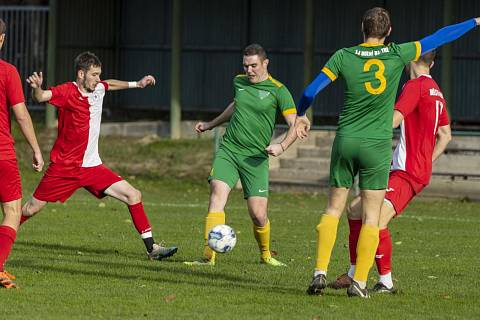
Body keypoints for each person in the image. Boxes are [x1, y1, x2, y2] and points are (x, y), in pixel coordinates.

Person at [295, 7, 479, 297]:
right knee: (370, 216)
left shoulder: (343, 55)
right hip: (377, 145)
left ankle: (319, 272)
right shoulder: (397, 53)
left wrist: (301, 115)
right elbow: (439, 37)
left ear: (361, 28)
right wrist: (475, 21)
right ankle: (360, 283)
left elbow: (309, 91)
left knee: (334, 209)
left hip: (346, 139)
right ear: (389, 31)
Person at [21, 51, 177, 261]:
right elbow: (41, 97)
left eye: (98, 74)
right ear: (81, 74)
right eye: (94, 75)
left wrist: (137, 84)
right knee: (31, 209)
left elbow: (109, 84)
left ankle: (152, 249)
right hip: (65, 168)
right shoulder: (67, 91)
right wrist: (37, 89)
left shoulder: (98, 88)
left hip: (93, 168)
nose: (97, 79)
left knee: (133, 195)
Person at [329, 50, 451, 293]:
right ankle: (354, 271)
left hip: (407, 171)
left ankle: (385, 281)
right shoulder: (436, 90)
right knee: (355, 210)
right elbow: (446, 135)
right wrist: (426, 161)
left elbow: (392, 121)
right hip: (409, 169)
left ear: (410, 59)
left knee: (377, 220)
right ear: (433, 63)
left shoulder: (414, 86)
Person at [185, 43, 297, 267]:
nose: (249, 71)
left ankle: (266, 255)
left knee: (258, 214)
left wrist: (282, 146)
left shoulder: (279, 90)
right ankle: (208, 257)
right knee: (217, 193)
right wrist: (210, 124)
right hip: (229, 150)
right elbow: (235, 106)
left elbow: (295, 124)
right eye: (246, 66)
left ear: (265, 63)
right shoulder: (239, 82)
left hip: (255, 158)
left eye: (254, 66)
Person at [0, 19, 44, 289]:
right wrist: (36, 150)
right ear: (2, 39)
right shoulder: (7, 71)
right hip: (2, 155)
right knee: (13, 211)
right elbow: (21, 114)